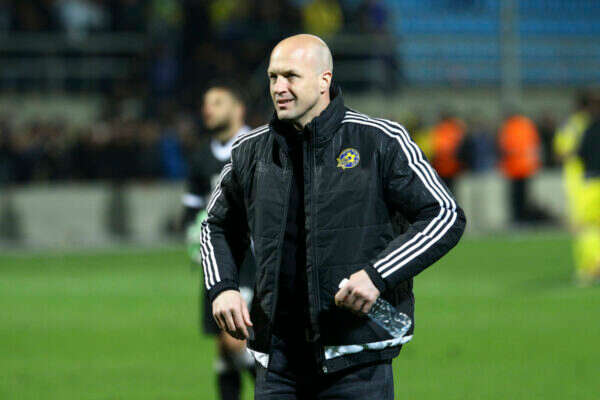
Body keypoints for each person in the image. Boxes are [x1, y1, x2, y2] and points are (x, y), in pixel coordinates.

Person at [200, 34, 466, 399]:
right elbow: (214, 224)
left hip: (355, 356)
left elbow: (445, 215)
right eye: (273, 77)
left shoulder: (380, 141)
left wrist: (378, 275)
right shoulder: (250, 151)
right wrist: (223, 288)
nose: (279, 87)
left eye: (291, 76)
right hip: (277, 364)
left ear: (324, 79)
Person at [183, 82, 256, 400]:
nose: (208, 109)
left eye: (217, 102)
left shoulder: (259, 146)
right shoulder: (201, 158)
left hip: (251, 261)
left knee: (234, 339)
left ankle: (281, 390)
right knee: (224, 350)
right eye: (206, 103)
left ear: (238, 109)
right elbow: (191, 209)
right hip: (216, 260)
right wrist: (193, 235)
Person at [553, 91, 600, 285]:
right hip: (588, 180)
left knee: (584, 227)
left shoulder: (573, 125)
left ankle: (590, 268)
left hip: (582, 183)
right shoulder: (589, 124)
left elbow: (561, 154)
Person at [573, 91, 600, 286]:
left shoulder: (589, 130)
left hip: (592, 183)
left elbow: (580, 155)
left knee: (589, 227)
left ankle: (592, 268)